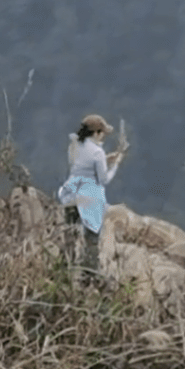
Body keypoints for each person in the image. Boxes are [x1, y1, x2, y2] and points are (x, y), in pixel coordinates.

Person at [58, 114, 123, 277]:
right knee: (91, 240)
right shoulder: (97, 152)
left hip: (71, 194)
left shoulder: (74, 146)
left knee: (70, 236)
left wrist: (107, 159)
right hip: (89, 198)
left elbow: (82, 167)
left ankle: (63, 272)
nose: (103, 137)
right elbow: (103, 179)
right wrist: (115, 164)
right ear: (96, 133)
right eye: (102, 133)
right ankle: (90, 276)